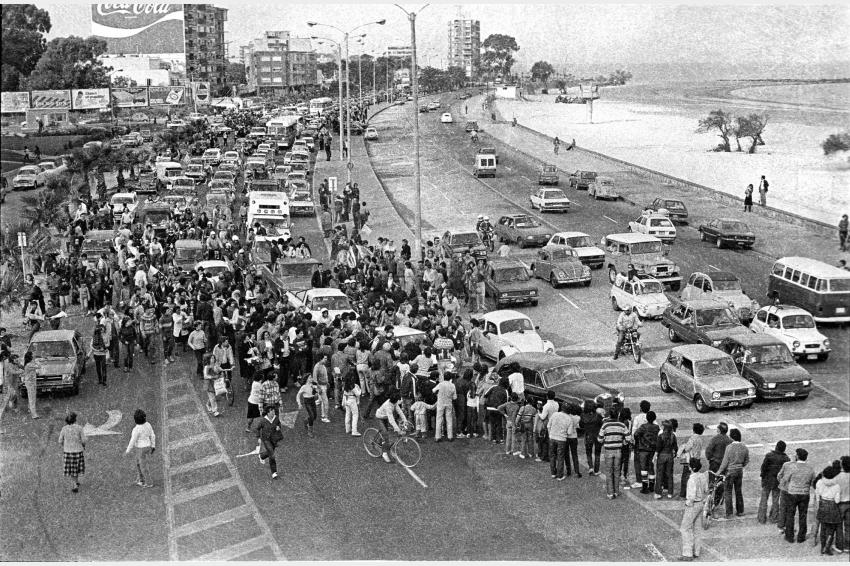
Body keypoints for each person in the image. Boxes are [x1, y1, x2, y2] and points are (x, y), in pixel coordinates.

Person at [777, 447, 815, 543]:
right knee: (803, 515)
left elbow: (785, 479)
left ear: (797, 456)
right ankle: (801, 537)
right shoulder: (810, 468)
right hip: (804, 494)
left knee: (790, 514)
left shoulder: (792, 467)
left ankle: (789, 536)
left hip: (792, 493)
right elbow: (813, 482)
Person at [679, 458, 709, 561]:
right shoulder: (703, 476)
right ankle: (696, 551)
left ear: (692, 468)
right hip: (700, 503)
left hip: (693, 505)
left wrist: (688, 503)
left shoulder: (691, 479)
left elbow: (691, 495)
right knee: (697, 528)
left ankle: (687, 554)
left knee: (685, 528)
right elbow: (706, 490)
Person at [716, 428, 749, 518]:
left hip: (730, 471)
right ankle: (740, 511)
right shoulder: (744, 447)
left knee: (728, 492)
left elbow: (725, 462)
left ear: (732, 437)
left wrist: (719, 471)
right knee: (738, 491)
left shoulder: (729, 447)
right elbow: (746, 460)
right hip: (739, 471)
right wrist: (741, 465)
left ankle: (729, 513)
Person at [757, 440, 790, 524]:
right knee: (775, 500)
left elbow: (763, 468)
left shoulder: (769, 455)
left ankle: (761, 518)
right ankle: (774, 517)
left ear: (776, 447)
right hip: (777, 482)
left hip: (767, 480)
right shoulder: (786, 459)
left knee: (764, 499)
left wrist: (762, 477)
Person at [599, 407, 628, 499]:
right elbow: (628, 438)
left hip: (608, 450)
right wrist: (623, 442)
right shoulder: (622, 425)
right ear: (618, 415)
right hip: (618, 450)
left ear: (609, 415)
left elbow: (599, 439)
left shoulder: (605, 425)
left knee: (609, 471)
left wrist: (605, 440)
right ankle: (616, 491)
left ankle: (610, 493)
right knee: (617, 471)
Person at [374, 392, 409, 463]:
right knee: (386, 435)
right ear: (395, 400)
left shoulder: (394, 403)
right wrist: (398, 430)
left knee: (384, 433)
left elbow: (400, 412)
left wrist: (405, 420)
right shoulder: (388, 406)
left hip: (385, 417)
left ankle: (381, 443)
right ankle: (384, 454)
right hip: (379, 417)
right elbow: (391, 420)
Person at [125, 408, 156, 488]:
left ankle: (148, 482)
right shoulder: (148, 425)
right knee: (139, 463)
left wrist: (127, 450)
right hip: (147, 446)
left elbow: (132, 440)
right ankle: (141, 479)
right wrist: (153, 446)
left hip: (140, 449)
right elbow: (152, 435)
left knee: (142, 466)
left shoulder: (136, 429)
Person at [816, 466, 842, 555]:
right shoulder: (837, 485)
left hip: (823, 504)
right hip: (832, 506)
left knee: (823, 528)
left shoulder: (819, 482)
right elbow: (837, 500)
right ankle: (827, 548)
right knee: (831, 529)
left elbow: (818, 494)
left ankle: (822, 547)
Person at [59, 412, 87, 493]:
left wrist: (64, 446)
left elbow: (60, 441)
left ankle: (75, 483)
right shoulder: (79, 428)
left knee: (72, 469)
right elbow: (84, 440)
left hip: (68, 452)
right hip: (78, 451)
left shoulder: (64, 429)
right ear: (75, 420)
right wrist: (83, 445)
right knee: (76, 468)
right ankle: (76, 483)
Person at [677, 422, 706, 498]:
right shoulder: (700, 439)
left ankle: (683, 493)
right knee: (694, 476)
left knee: (685, 476)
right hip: (697, 459)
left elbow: (687, 448)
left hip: (690, 460)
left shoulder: (692, 438)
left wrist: (683, 447)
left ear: (694, 430)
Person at [256, 405, 284, 480]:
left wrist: (279, 427)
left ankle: (262, 456)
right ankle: (274, 473)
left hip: (274, 439)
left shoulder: (276, 418)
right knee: (272, 455)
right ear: (268, 413)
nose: (273, 413)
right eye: (272, 412)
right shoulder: (263, 420)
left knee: (270, 452)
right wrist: (258, 437)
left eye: (274, 411)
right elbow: (257, 428)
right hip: (266, 440)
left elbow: (279, 424)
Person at [634, 410, 659, 493]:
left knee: (644, 468)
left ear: (647, 418)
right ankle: (651, 486)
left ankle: (645, 487)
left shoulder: (643, 426)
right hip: (652, 449)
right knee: (651, 467)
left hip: (643, 449)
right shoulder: (656, 427)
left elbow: (636, 434)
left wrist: (640, 441)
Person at [655, 419, 678, 499]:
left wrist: (655, 457)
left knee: (659, 474)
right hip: (670, 456)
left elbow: (658, 448)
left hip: (662, 456)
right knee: (669, 474)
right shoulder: (673, 436)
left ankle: (658, 493)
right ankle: (670, 493)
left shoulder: (660, 436)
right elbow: (676, 448)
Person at [432, 372, 457, 442]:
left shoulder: (441, 384)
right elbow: (455, 397)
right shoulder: (452, 385)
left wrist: (438, 394)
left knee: (439, 419)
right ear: (450, 378)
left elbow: (433, 390)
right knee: (449, 419)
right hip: (448, 403)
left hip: (440, 403)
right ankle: (450, 436)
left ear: (444, 377)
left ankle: (437, 436)